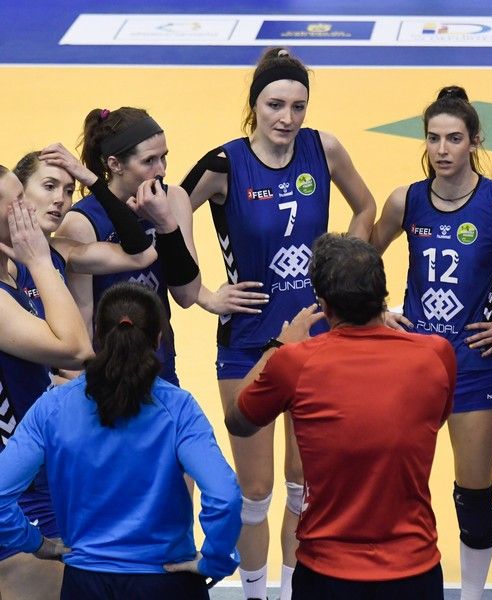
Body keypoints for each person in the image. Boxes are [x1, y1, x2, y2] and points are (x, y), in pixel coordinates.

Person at [181, 47, 377, 600]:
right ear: (254, 104)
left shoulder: (323, 148)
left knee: (303, 489)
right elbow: (172, 205)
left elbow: (365, 209)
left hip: (318, 339)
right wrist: (200, 291)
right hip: (248, 340)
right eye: (275, 105)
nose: (287, 118)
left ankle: (294, 592)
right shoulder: (224, 164)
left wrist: (340, 272)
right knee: (254, 491)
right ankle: (254, 594)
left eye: (298, 106)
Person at [226, 233, 454, 600]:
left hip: (327, 573)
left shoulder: (295, 362)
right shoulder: (437, 355)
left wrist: (277, 347)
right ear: (383, 296)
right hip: (415, 571)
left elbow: (238, 420)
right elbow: (432, 420)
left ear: (324, 305)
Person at [370, 85, 492, 599]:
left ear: (474, 140)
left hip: (475, 363)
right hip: (412, 363)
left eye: (454, 138)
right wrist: (376, 313)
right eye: (434, 138)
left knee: (474, 492)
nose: (442, 149)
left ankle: (472, 595)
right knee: (396, 484)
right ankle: (398, 582)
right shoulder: (406, 199)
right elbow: (361, 262)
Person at [0, 282, 241, 600]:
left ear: (96, 335)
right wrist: (216, 559)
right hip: (167, 581)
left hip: (86, 583)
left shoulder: (52, 407)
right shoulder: (179, 408)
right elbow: (224, 497)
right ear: (158, 339)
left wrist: (37, 543)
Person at [56, 106, 204, 385]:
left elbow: (188, 295)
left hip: (160, 367)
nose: (160, 170)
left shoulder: (174, 200)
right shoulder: (82, 223)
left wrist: (165, 224)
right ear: (115, 164)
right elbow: (83, 323)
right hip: (108, 374)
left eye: (164, 158)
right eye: (149, 161)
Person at [0, 168, 94, 600]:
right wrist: (39, 259)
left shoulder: (8, 275)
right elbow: (76, 348)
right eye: (13, 200)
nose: (25, 207)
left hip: (32, 476)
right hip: (13, 489)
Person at [13, 145, 157, 320]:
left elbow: (143, 255)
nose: (60, 199)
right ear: (18, 190)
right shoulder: (4, 259)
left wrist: (94, 183)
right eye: (50, 186)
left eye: (69, 191)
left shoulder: (64, 252)